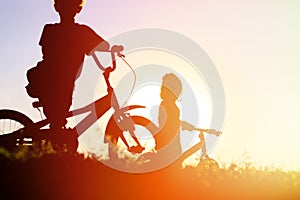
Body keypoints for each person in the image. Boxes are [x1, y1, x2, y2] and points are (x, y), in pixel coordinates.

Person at [26, 0, 122, 131]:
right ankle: (57, 137)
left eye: (70, 6)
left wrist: (109, 48)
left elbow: (103, 45)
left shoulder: (67, 31)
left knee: (60, 110)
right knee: (60, 109)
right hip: (52, 77)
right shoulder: (78, 32)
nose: (67, 9)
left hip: (59, 76)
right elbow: (103, 45)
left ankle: (58, 135)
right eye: (64, 5)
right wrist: (110, 49)